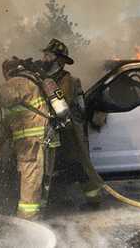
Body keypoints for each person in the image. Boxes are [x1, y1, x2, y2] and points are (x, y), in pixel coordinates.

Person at [40, 38, 102, 207]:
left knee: (77, 164)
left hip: (67, 130)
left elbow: (62, 104)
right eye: (44, 55)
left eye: (48, 56)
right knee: (61, 166)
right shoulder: (48, 78)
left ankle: (93, 199)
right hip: (54, 129)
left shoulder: (66, 80)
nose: (44, 59)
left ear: (59, 60)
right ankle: (62, 199)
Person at [0, 57, 53, 220]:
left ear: (7, 71)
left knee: (30, 179)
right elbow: (16, 115)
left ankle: (28, 219)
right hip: (40, 139)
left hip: (31, 142)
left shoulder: (17, 81)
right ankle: (38, 215)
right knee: (38, 179)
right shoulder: (33, 80)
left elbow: (0, 97)